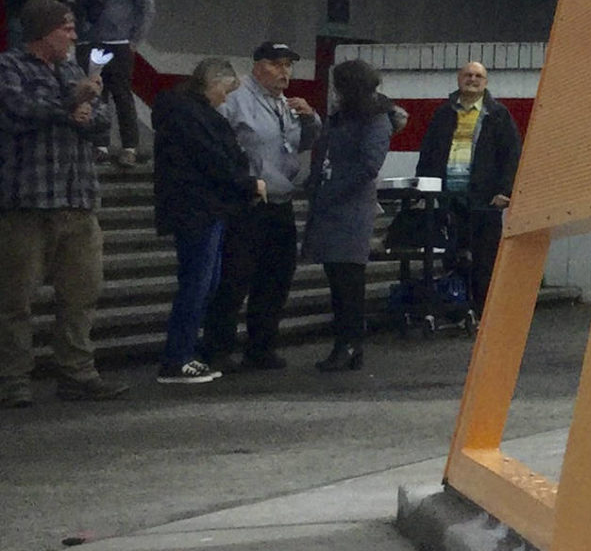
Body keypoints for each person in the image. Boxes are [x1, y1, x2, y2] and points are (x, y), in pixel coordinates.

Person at [0, 0, 123, 405]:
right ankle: (12, 379)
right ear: (42, 31)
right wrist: (73, 102)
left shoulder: (74, 69)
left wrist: (88, 110)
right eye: (66, 28)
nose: (73, 35)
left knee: (81, 296)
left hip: (78, 200)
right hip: (27, 204)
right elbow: (17, 109)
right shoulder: (9, 67)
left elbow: (102, 118)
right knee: (13, 300)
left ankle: (77, 372)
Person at [205, 41, 319, 369]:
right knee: (235, 276)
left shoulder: (286, 103)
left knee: (277, 276)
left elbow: (302, 144)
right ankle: (217, 347)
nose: (284, 72)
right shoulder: (237, 98)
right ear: (258, 66)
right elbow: (216, 142)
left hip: (280, 199)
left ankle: (261, 345)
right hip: (246, 201)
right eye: (276, 64)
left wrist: (310, 119)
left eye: (288, 65)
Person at [151, 59, 261, 384]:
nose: (225, 98)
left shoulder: (183, 112)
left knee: (204, 283)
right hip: (198, 208)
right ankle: (177, 357)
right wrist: (246, 184)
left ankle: (184, 352)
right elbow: (215, 160)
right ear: (213, 84)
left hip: (200, 207)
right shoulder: (193, 116)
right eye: (225, 90)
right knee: (198, 284)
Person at [303, 59, 403, 371]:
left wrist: (331, 190)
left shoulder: (374, 120)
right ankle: (347, 343)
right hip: (332, 202)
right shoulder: (344, 116)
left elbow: (368, 165)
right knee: (338, 277)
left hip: (350, 207)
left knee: (348, 279)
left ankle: (349, 343)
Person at [414, 61, 521, 316]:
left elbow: (511, 155)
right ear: (458, 79)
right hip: (448, 198)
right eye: (467, 75)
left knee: (485, 260)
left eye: (478, 76)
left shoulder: (498, 114)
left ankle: (485, 313)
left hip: (485, 200)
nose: (472, 79)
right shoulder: (443, 113)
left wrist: (506, 191)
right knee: (452, 256)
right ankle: (457, 308)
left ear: (485, 82)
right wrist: (422, 189)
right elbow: (428, 152)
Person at [75, 0, 156, 167]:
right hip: (90, 41)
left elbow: (147, 8)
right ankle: (99, 145)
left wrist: (134, 42)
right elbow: (78, 3)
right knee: (94, 94)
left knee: (122, 95)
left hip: (120, 43)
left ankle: (129, 146)